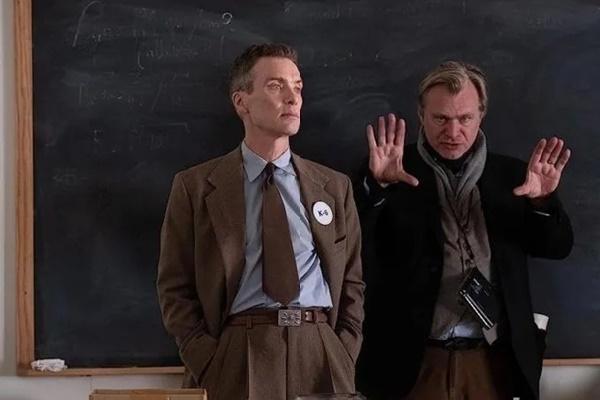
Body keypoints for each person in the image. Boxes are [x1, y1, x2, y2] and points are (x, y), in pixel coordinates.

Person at [156, 43, 364, 400]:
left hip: (320, 352)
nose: (292, 98)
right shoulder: (195, 187)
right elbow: (174, 286)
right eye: (275, 85)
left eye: (297, 87)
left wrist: (343, 350)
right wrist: (206, 358)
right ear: (242, 102)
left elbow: (352, 282)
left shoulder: (333, 186)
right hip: (237, 352)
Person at [356, 61, 573, 400]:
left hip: (494, 364)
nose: (453, 131)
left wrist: (542, 202)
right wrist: (377, 188)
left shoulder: (515, 176)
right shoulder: (391, 170)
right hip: (410, 364)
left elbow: (557, 248)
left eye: (465, 118)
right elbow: (351, 247)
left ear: (481, 115)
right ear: (421, 115)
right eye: (441, 118)